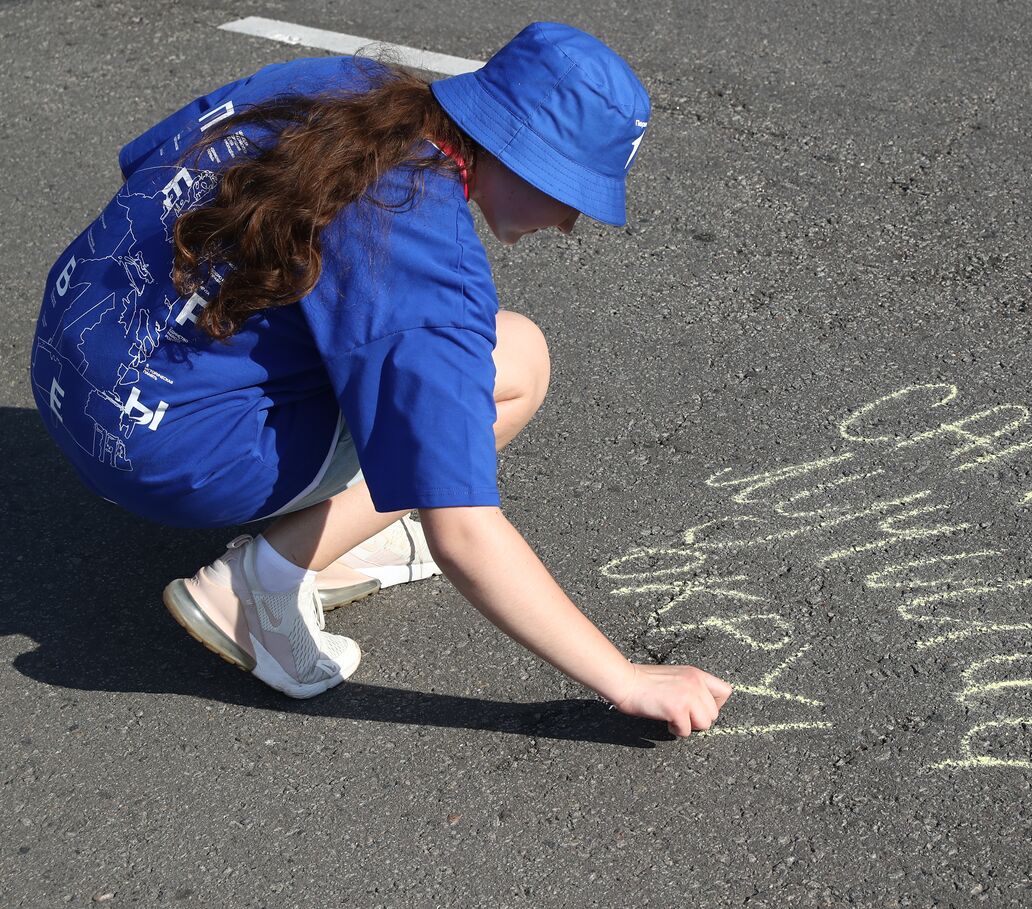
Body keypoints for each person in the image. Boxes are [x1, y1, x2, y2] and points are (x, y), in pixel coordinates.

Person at [28, 22, 732, 737]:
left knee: (357, 337)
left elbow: (143, 166)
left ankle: (333, 531)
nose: (571, 224)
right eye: (573, 195)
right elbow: (463, 531)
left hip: (71, 352)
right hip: (160, 456)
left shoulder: (329, 85)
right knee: (516, 363)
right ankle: (260, 587)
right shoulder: (426, 258)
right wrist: (626, 676)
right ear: (525, 158)